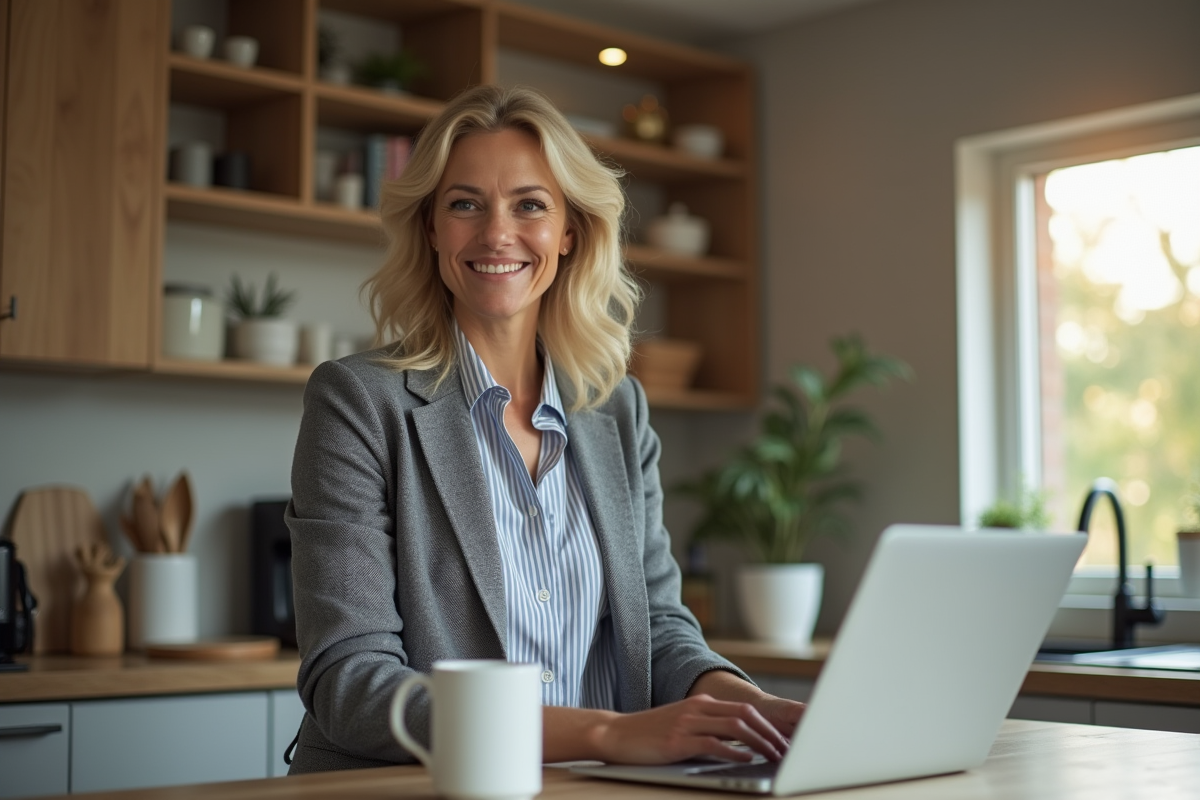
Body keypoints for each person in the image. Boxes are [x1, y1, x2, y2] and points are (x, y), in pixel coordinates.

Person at [285, 84, 804, 775]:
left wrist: (740, 704)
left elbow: (658, 625)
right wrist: (605, 735)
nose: (497, 233)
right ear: (432, 229)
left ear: (568, 233)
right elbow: (350, 683)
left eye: (529, 204)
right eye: (465, 203)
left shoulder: (617, 411)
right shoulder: (357, 401)